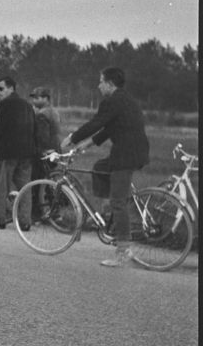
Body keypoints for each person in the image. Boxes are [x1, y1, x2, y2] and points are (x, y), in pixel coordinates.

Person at [61, 66, 150, 268]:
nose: (98, 85)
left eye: (100, 81)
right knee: (99, 168)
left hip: (126, 154)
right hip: (134, 151)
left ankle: (123, 250)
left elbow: (96, 123)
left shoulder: (112, 100)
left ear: (110, 84)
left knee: (119, 202)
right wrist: (89, 143)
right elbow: (111, 127)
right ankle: (109, 213)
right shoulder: (125, 99)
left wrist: (72, 138)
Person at [0, 75, 36, 230]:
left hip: (8, 152)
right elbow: (34, 128)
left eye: (1, 88)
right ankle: (25, 222)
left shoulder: (4, 104)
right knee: (25, 187)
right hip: (27, 153)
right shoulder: (27, 105)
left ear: (11, 88)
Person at [30, 86, 62, 181]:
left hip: (45, 153)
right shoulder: (54, 112)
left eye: (37, 98)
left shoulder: (42, 114)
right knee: (50, 179)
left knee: (38, 181)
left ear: (45, 98)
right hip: (55, 150)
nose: (33, 101)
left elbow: (42, 137)